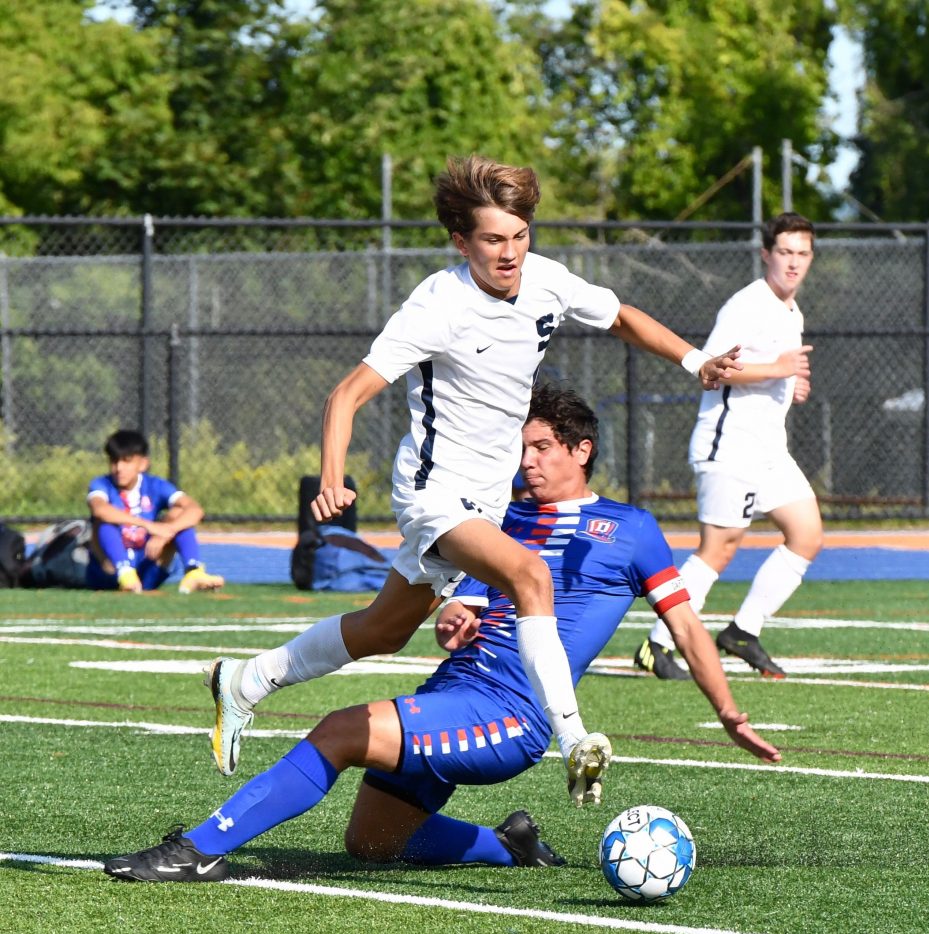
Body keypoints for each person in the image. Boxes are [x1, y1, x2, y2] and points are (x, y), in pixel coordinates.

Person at [203, 155, 743, 806]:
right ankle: (573, 738)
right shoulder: (438, 305)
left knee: (383, 630)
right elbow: (346, 394)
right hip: (433, 492)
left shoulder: (545, 280)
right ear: (462, 242)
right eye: (493, 239)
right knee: (530, 575)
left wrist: (694, 360)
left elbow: (621, 316)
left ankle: (246, 680)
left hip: (485, 499)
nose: (510, 253)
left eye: (520, 235)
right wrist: (332, 476)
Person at [104, 386, 779, 883]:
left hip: (510, 716)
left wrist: (728, 713)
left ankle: (198, 849)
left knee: (339, 731)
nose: (528, 461)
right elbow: (462, 606)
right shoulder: (502, 519)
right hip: (454, 690)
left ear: (582, 450)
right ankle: (508, 843)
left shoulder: (631, 529)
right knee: (371, 843)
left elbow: (686, 626)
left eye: (542, 447)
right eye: (521, 448)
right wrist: (458, 614)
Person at [635, 211, 821, 680]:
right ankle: (656, 644)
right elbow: (714, 368)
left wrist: (790, 384)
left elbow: (773, 370)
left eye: (802, 253)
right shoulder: (747, 304)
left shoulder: (792, 311)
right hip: (730, 446)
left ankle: (743, 631)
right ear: (766, 254)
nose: (793, 263)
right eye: (785, 252)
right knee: (717, 550)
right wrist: (778, 370)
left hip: (769, 450)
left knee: (807, 535)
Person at [85, 429, 224, 594]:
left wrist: (165, 532)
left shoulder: (155, 485)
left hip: (146, 567)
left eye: (126, 461)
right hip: (109, 572)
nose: (119, 468)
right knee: (104, 521)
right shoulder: (101, 484)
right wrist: (148, 526)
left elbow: (195, 509)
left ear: (143, 464)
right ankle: (125, 574)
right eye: (114, 461)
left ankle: (193, 571)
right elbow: (99, 509)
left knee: (178, 514)